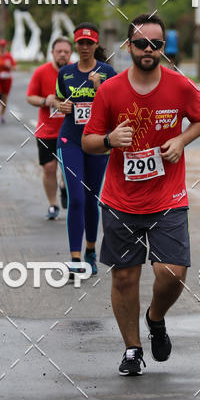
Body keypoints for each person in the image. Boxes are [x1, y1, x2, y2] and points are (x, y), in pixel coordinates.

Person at [82, 13, 200, 376]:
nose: (149, 50)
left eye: (156, 44)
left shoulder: (180, 85)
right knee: (124, 278)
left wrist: (181, 140)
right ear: (129, 47)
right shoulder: (110, 91)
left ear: (163, 48)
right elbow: (88, 141)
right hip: (120, 200)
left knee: (173, 272)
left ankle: (155, 317)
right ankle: (132, 349)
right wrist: (110, 140)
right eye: (141, 44)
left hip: (168, 198)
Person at [55, 23, 116, 277]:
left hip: (97, 141)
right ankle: (75, 258)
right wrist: (60, 106)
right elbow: (58, 99)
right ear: (75, 44)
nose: (84, 47)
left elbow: (115, 107)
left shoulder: (108, 72)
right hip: (70, 140)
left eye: (89, 43)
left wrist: (99, 88)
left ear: (96, 44)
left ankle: (90, 250)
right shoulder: (66, 73)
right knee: (77, 198)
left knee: (92, 198)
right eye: (81, 43)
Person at [26, 36, 73, 220]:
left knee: (69, 168)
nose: (62, 54)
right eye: (59, 51)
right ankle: (53, 204)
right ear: (52, 52)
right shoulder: (41, 72)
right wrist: (46, 101)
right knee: (49, 168)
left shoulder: (76, 71)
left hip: (71, 130)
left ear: (71, 53)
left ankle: (64, 186)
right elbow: (30, 97)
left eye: (66, 51)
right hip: (47, 131)